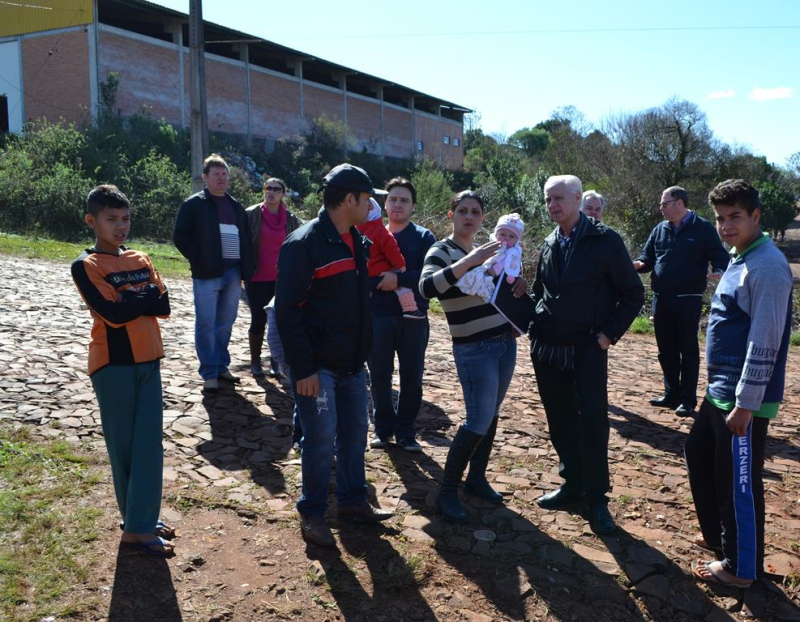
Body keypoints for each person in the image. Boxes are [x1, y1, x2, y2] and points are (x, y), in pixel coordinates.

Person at [275, 163, 393, 547]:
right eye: (367, 197)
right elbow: (287, 312)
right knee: (320, 439)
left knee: (355, 435)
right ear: (349, 199)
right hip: (317, 367)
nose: (372, 204)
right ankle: (312, 512)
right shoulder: (303, 244)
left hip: (352, 364)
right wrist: (304, 369)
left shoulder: (357, 240)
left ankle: (353, 501)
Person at [686, 179, 793, 589]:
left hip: (744, 398)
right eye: (719, 218)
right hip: (721, 390)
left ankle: (740, 568)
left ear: (755, 216)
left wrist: (746, 403)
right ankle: (720, 537)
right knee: (700, 454)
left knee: (739, 482)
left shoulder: (767, 265)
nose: (726, 226)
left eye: (735, 217)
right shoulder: (741, 256)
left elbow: (765, 337)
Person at [530, 175, 643, 535]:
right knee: (560, 421)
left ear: (578, 198)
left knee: (592, 423)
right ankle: (573, 484)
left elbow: (633, 294)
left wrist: (609, 335)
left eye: (558, 198)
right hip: (547, 349)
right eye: (548, 199)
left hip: (587, 349)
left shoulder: (605, 240)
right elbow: (540, 291)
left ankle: (596, 498)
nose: (552, 205)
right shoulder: (550, 242)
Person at [71, 185, 175, 557]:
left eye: (126, 218)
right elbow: (113, 315)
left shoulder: (140, 257)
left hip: (149, 359)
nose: (120, 226)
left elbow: (163, 305)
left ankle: (140, 520)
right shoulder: (86, 265)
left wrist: (131, 298)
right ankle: (137, 527)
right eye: (111, 219)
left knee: (149, 445)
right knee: (125, 448)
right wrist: (140, 297)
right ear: (91, 220)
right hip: (112, 365)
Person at [420, 190, 525, 523]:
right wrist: (468, 262)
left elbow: (498, 287)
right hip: (473, 348)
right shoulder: (442, 250)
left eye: (475, 212)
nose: (469, 217)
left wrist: (517, 288)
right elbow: (426, 288)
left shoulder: (494, 250)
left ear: (483, 218)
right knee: (478, 419)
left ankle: (476, 479)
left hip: (504, 344)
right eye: (462, 211)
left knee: (490, 414)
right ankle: (447, 491)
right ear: (451, 215)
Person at [633, 186, 729, 416]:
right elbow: (647, 258)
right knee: (665, 350)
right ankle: (671, 394)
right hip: (661, 299)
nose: (661, 208)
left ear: (679, 203)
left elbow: (719, 254)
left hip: (688, 299)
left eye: (664, 204)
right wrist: (637, 264)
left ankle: (687, 400)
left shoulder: (703, 228)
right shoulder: (660, 229)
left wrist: (718, 269)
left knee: (687, 350)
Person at [173, 154, 254, 393]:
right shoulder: (193, 205)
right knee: (206, 323)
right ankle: (209, 372)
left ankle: (220, 365)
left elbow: (246, 239)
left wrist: (246, 269)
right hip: (206, 274)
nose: (221, 178)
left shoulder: (236, 206)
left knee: (225, 323)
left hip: (233, 273)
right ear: (205, 177)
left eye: (224, 174)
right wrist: (198, 259)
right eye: (216, 174)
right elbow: (180, 236)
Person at [368, 178, 436, 452]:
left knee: (412, 377)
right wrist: (380, 281)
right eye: (393, 199)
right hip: (378, 317)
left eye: (404, 200)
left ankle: (406, 432)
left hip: (414, 320)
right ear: (384, 204)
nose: (398, 205)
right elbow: (361, 273)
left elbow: (430, 275)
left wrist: (398, 280)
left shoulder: (424, 237)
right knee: (379, 376)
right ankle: (382, 429)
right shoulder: (370, 234)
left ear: (413, 206)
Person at [245, 177, 301, 377]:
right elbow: (243, 242)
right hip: (256, 276)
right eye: (268, 188)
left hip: (282, 278)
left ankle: (276, 361)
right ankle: (255, 361)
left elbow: (299, 244)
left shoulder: (292, 219)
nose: (271, 192)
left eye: (276, 189)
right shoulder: (251, 214)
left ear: (283, 193)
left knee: (279, 321)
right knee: (258, 319)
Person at [356, 197, 419, 315]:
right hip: (381, 273)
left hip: (363, 274)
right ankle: (410, 309)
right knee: (403, 289)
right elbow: (392, 251)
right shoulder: (381, 232)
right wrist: (401, 265)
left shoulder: (354, 230)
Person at [456, 212, 524, 301]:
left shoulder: (513, 254)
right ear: (496, 234)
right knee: (475, 276)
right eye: (502, 234)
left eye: (511, 236)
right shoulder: (492, 246)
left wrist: (496, 270)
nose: (506, 238)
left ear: (516, 240)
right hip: (485, 269)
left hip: (497, 277)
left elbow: (504, 263)